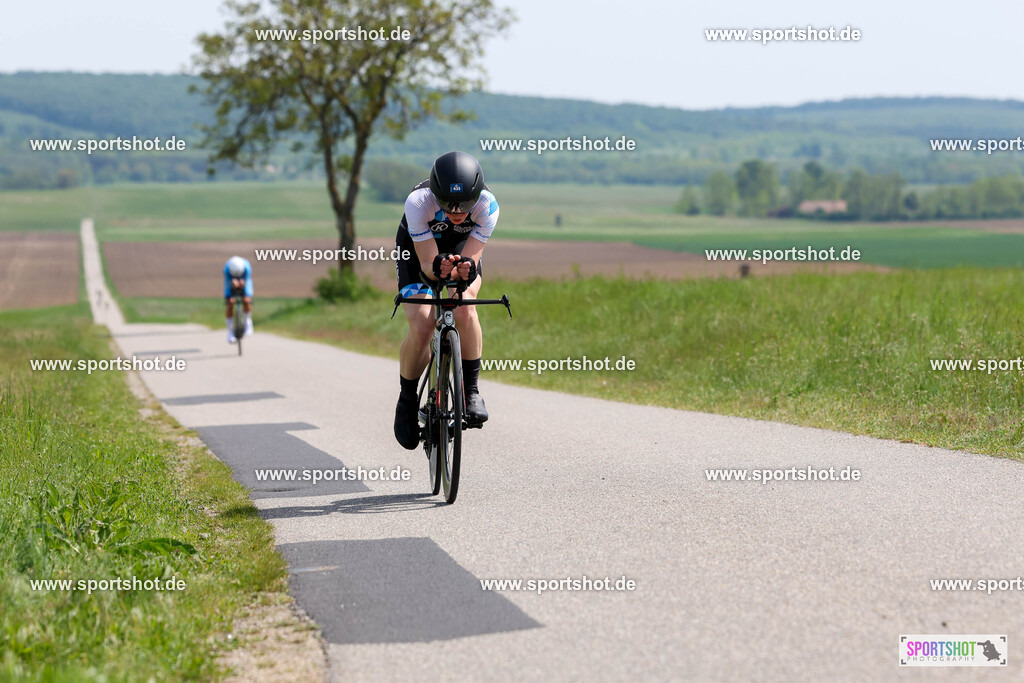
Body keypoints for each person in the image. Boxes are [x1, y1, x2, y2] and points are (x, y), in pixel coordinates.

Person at [393, 151, 499, 449]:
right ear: (435, 196)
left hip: (461, 246)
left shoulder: (488, 206)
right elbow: (427, 266)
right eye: (447, 204)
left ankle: (472, 390)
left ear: (476, 196)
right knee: (423, 324)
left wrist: (464, 270)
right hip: (419, 253)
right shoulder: (418, 202)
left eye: (464, 205)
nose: (456, 212)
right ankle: (407, 398)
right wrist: (437, 266)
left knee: (464, 308)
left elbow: (472, 259)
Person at [224, 255, 254, 343]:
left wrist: (242, 284)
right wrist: (232, 284)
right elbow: (228, 282)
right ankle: (230, 331)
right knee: (230, 302)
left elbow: (246, 281)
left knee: (246, 300)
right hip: (230, 280)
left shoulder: (247, 267)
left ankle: (247, 321)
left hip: (245, 280)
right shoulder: (226, 270)